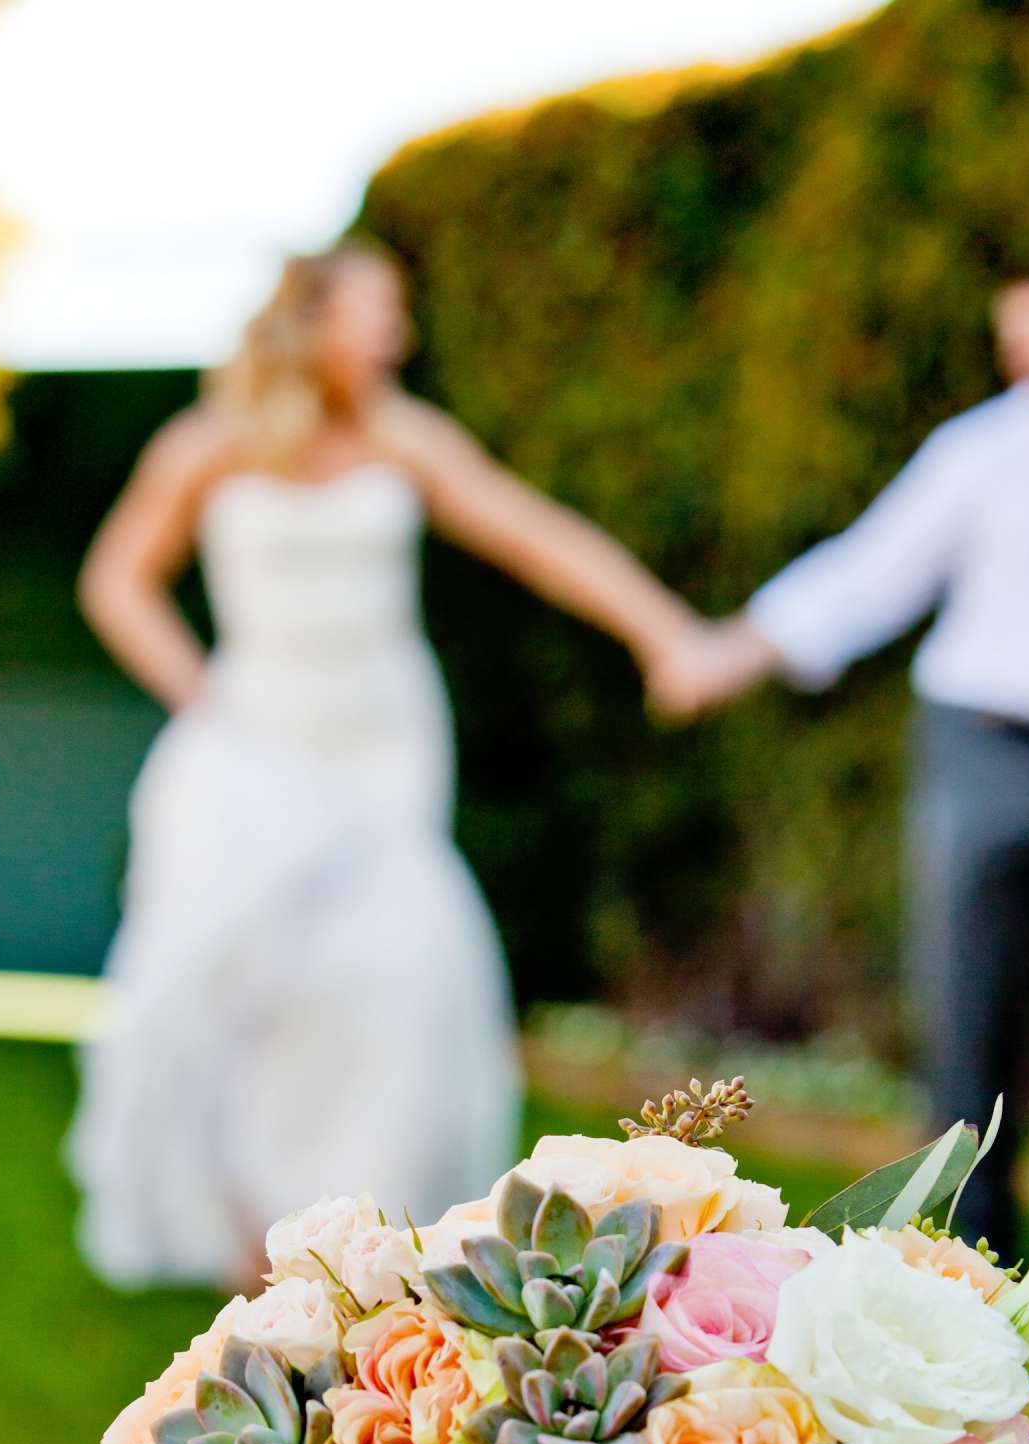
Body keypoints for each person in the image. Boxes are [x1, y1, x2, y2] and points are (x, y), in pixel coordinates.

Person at [71, 240, 701, 1291]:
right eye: (377, 312)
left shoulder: (409, 441)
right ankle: (247, 1237)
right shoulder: (207, 447)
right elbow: (116, 582)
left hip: (381, 746)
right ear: (311, 322)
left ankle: (366, 1230)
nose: (396, 334)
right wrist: (202, 693)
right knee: (243, 985)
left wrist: (661, 630)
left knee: (394, 979)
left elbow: (537, 537)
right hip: (252, 744)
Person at [656, 256, 1029, 1306]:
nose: (1026, 352)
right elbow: (868, 573)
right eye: (1013, 333)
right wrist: (736, 650)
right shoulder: (979, 453)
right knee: (966, 1005)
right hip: (978, 749)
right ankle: (972, 1251)